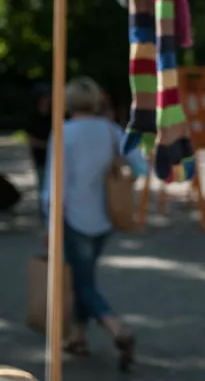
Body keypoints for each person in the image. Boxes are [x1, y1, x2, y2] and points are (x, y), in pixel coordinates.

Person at [42, 76, 148, 372]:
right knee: (83, 277)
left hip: (74, 218)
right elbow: (140, 164)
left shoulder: (64, 133)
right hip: (106, 218)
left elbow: (55, 186)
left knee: (83, 283)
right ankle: (78, 337)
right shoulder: (111, 130)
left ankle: (118, 331)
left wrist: (50, 225)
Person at [26, 91, 51, 223]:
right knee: (42, 185)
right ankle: (44, 212)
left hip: (52, 157)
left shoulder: (54, 116)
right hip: (40, 157)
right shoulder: (34, 118)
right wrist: (47, 145)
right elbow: (31, 140)